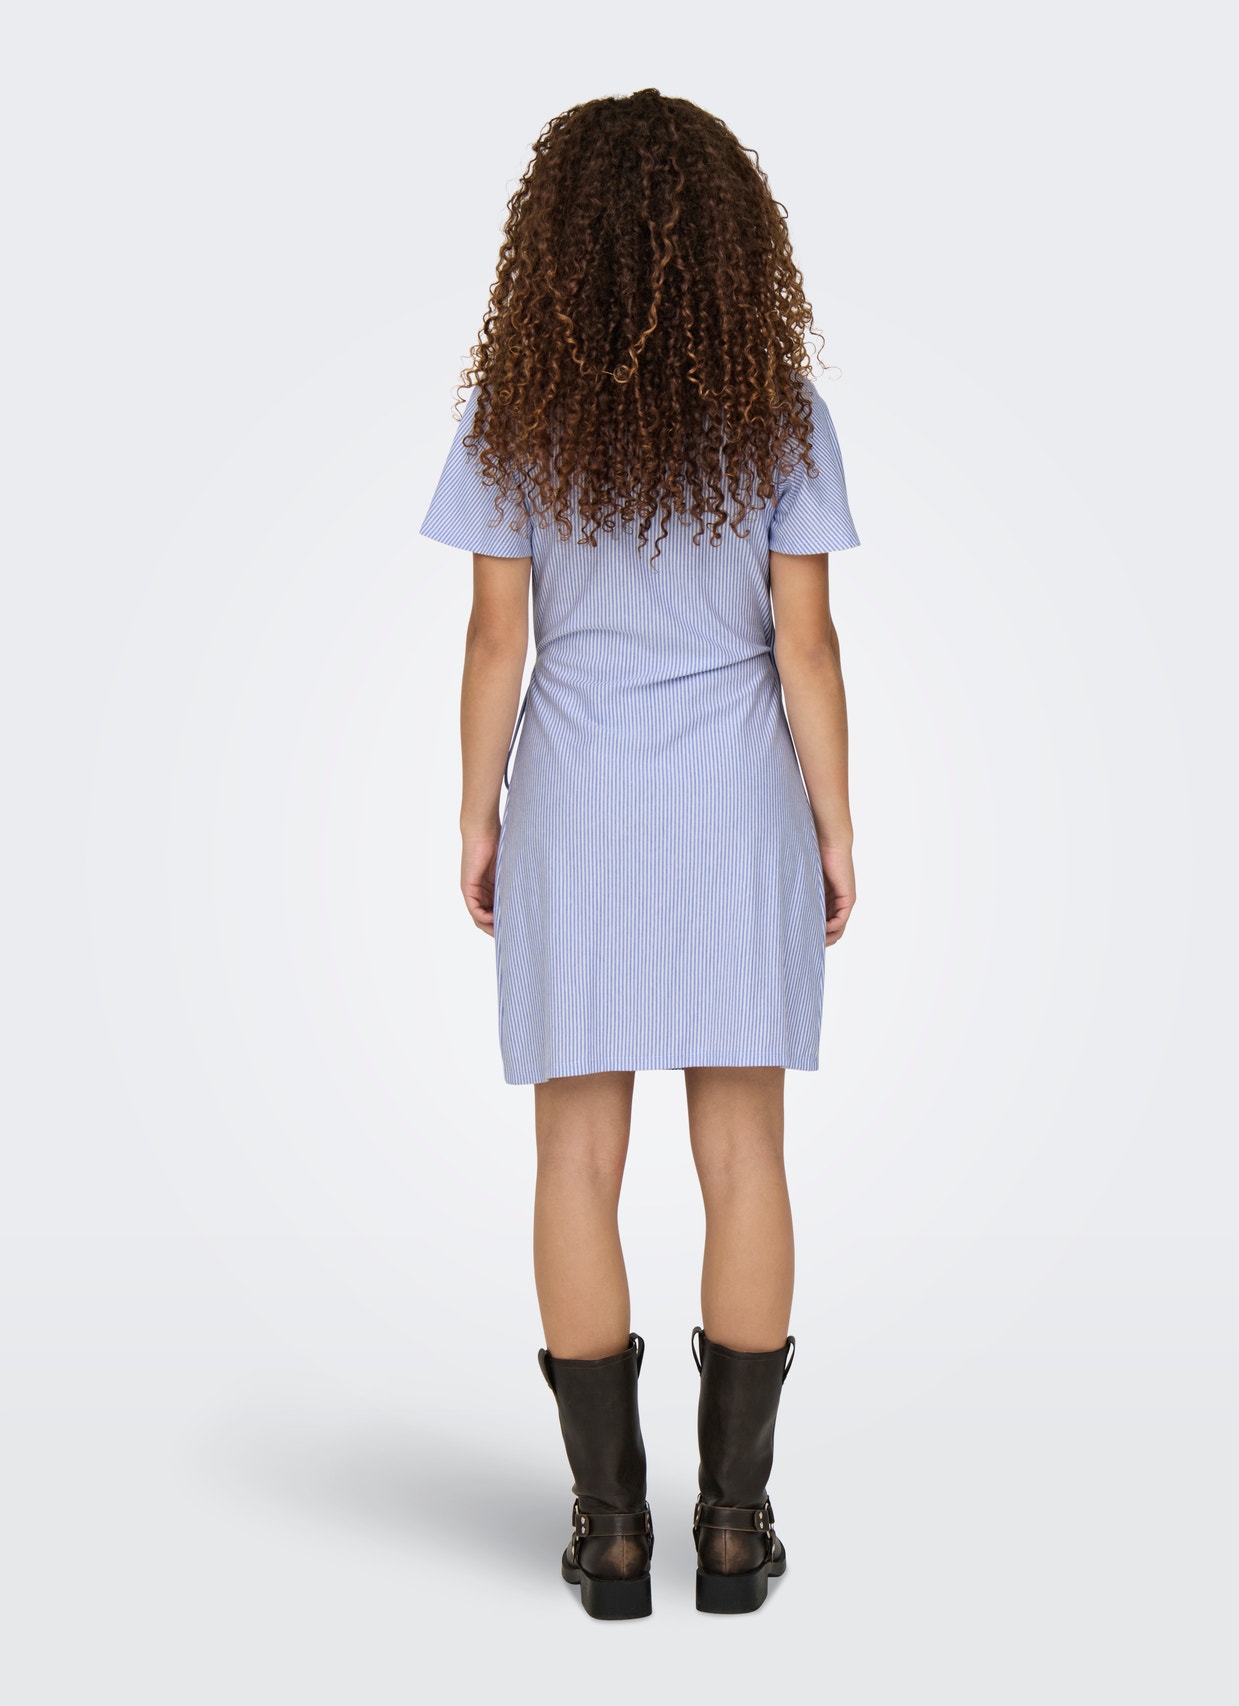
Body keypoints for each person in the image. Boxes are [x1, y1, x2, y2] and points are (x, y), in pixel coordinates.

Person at [418, 88, 860, 1619]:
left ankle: (611, 1534)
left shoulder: (516, 412)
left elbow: (497, 638)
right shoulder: (776, 409)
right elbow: (806, 645)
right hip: (736, 802)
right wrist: (834, 824)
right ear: (737, 242)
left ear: (551, 245)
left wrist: (478, 813)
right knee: (744, 1160)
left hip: (582, 803)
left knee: (575, 1162)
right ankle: (732, 1528)